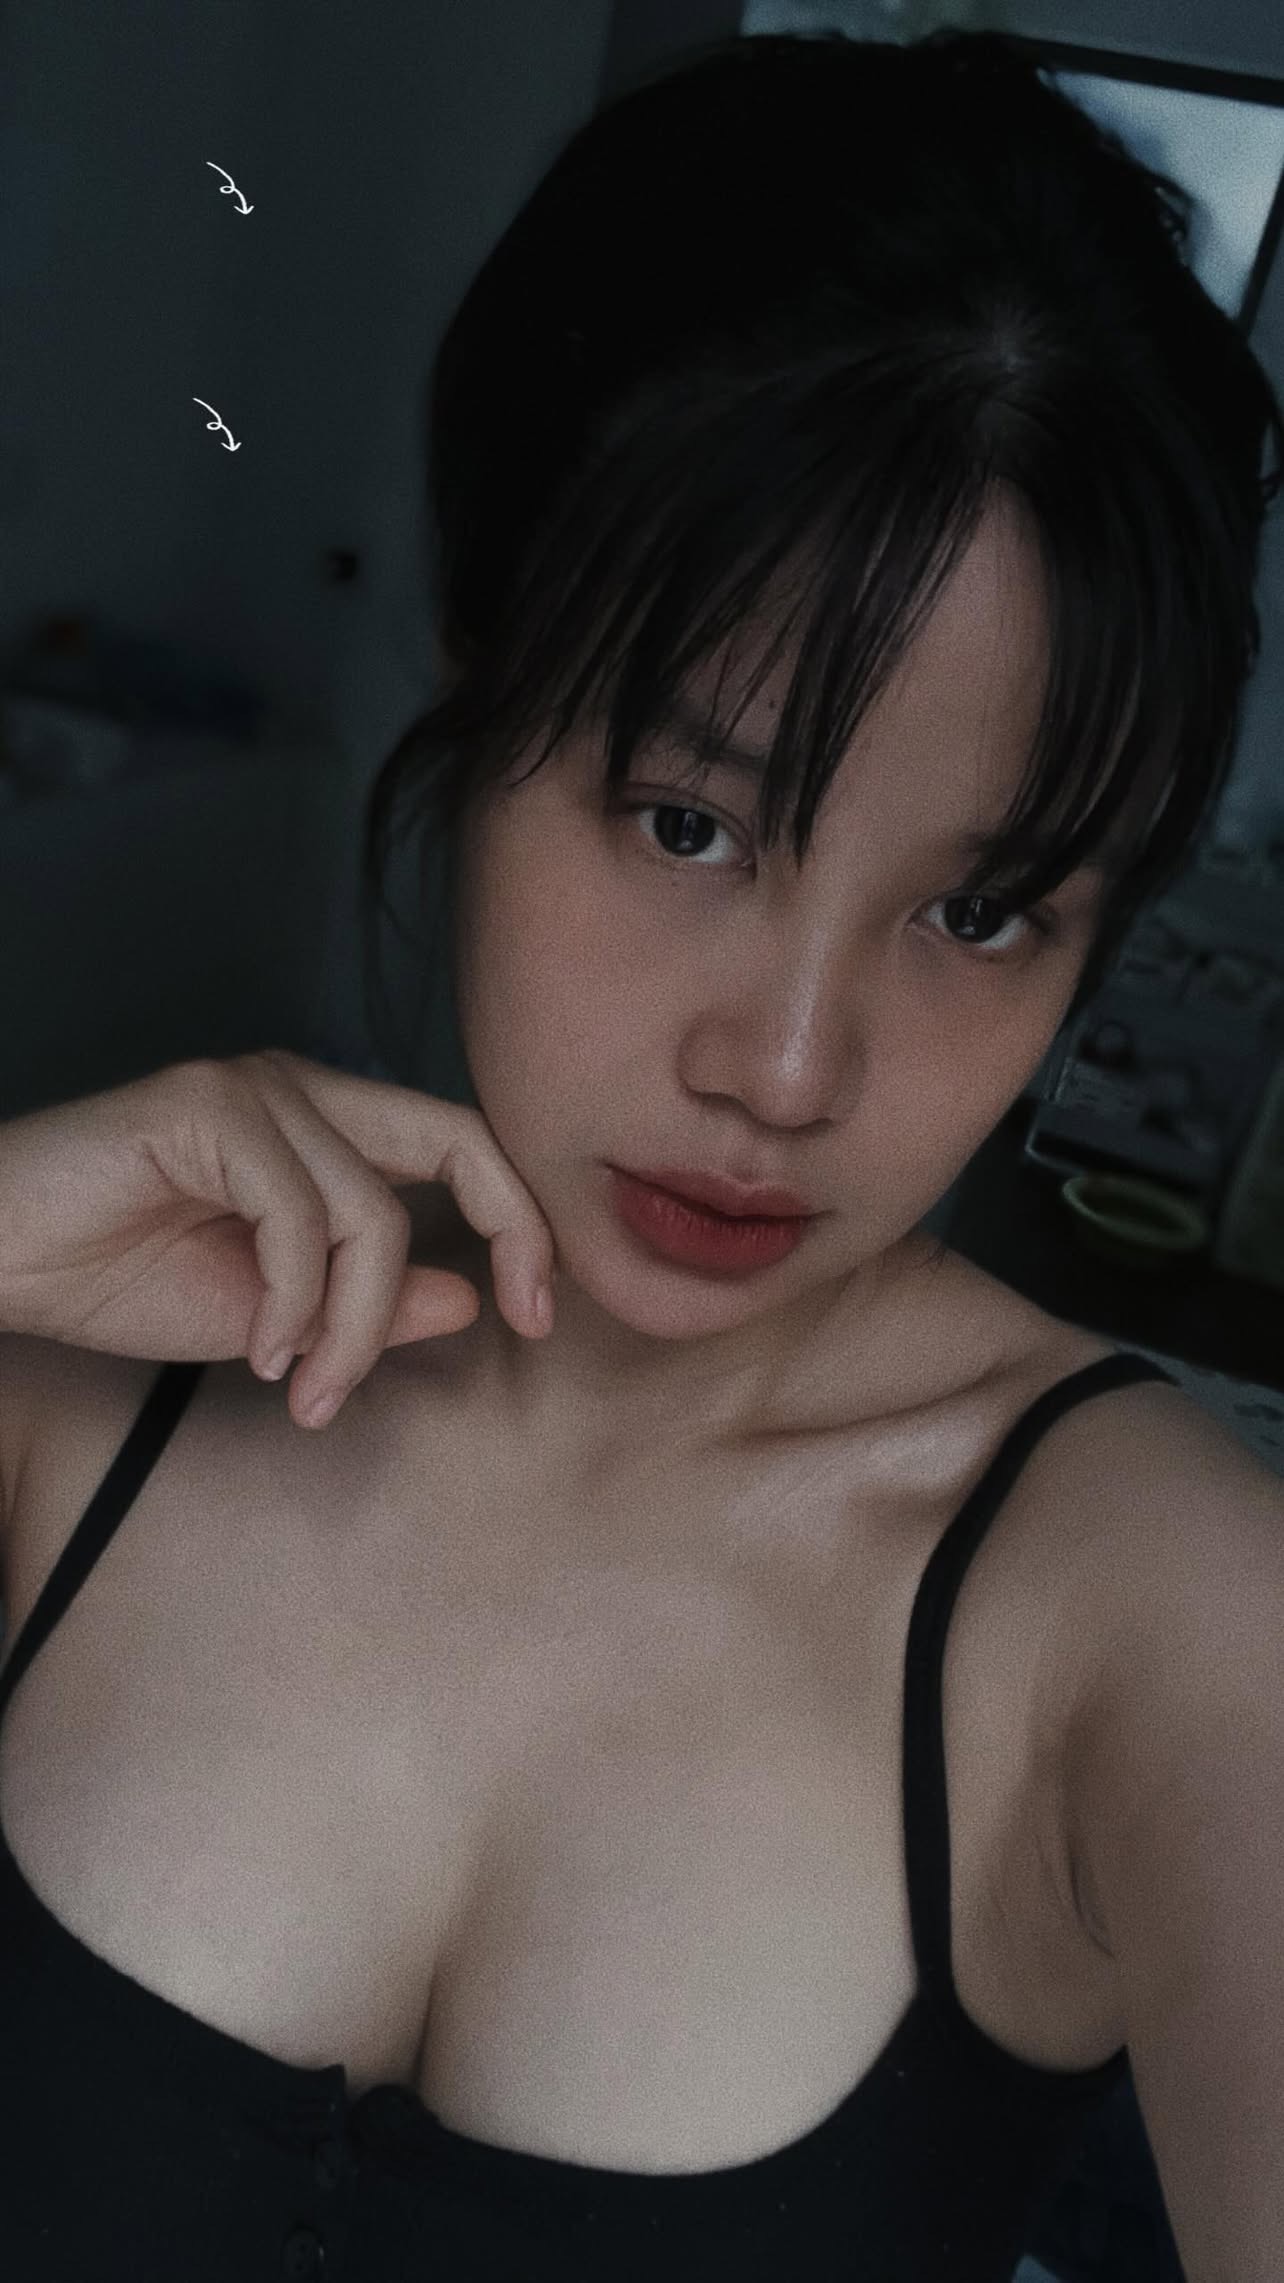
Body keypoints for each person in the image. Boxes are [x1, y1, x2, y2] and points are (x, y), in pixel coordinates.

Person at [1, 26, 1282, 2283]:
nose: (788, 1070)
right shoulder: (82, 1374)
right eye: (689, 823)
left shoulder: (1157, 1617)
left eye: (982, 911)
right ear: (477, 679)